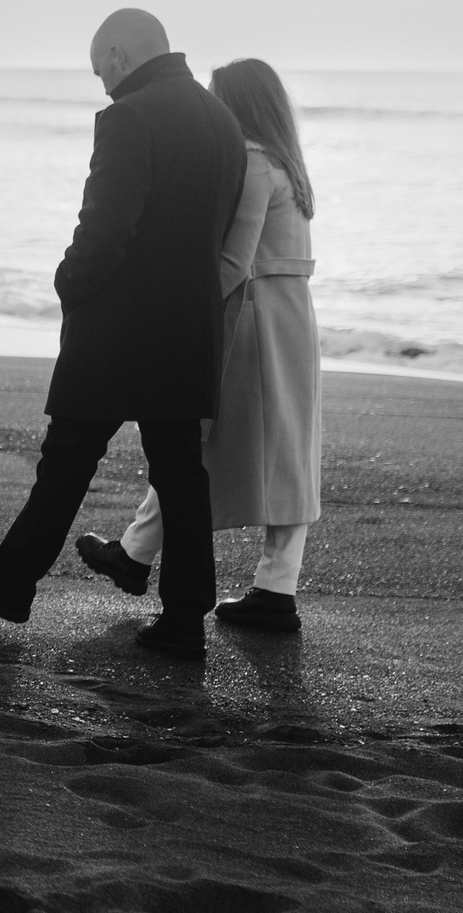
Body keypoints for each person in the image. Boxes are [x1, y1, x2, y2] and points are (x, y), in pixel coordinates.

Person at [0, 9, 246, 660]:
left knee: (69, 457)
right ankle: (186, 618)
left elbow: (106, 222)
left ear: (117, 53)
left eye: (99, 67)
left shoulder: (129, 116)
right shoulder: (222, 121)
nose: (100, 82)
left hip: (119, 326)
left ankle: (11, 583)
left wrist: (69, 283)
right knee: (180, 473)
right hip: (189, 325)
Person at [78, 58, 321, 631]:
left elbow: (235, 260)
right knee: (288, 453)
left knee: (194, 440)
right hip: (291, 316)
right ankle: (273, 587)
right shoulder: (290, 165)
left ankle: (137, 554)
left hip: (253, 318)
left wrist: (176, 308)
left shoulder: (255, 165)